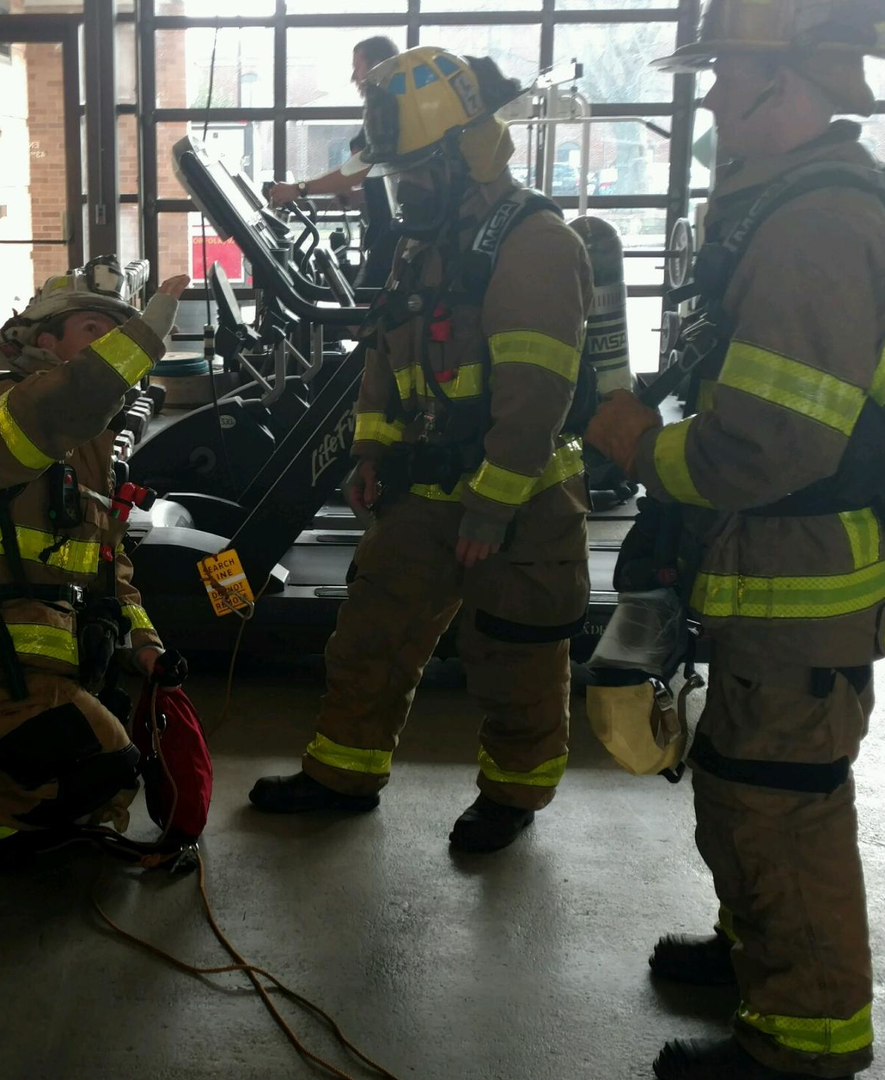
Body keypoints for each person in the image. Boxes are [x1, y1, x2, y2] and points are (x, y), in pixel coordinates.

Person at [585, 3, 885, 1077]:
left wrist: (643, 449)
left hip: (801, 583)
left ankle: (805, 1040)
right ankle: (756, 956)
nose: (715, 94)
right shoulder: (787, 205)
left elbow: (770, 442)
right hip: (767, 577)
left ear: (790, 81)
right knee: (740, 782)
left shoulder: (819, 224)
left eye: (730, 71)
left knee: (782, 807)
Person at [248, 46, 594, 854]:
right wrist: (370, 451)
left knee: (514, 659)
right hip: (423, 492)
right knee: (369, 639)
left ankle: (512, 797)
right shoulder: (422, 243)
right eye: (396, 174)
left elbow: (536, 395)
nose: (402, 189)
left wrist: (492, 504)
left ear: (469, 150)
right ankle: (343, 774)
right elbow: (386, 357)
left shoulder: (535, 242)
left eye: (414, 172)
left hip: (519, 501)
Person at [0, 259, 197, 868]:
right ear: (44, 341)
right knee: (101, 764)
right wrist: (148, 332)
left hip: (46, 663)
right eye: (94, 329)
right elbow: (71, 396)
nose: (109, 343)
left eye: (116, 332)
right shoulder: (10, 411)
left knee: (113, 780)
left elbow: (110, 569)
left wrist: (146, 647)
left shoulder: (86, 451)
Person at [264, 36, 402, 288]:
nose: (354, 77)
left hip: (394, 241)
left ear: (377, 67)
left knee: (363, 307)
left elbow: (355, 170)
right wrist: (361, 196)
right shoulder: (393, 111)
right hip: (390, 235)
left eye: (357, 67)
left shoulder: (387, 114)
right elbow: (391, 175)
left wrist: (298, 189)